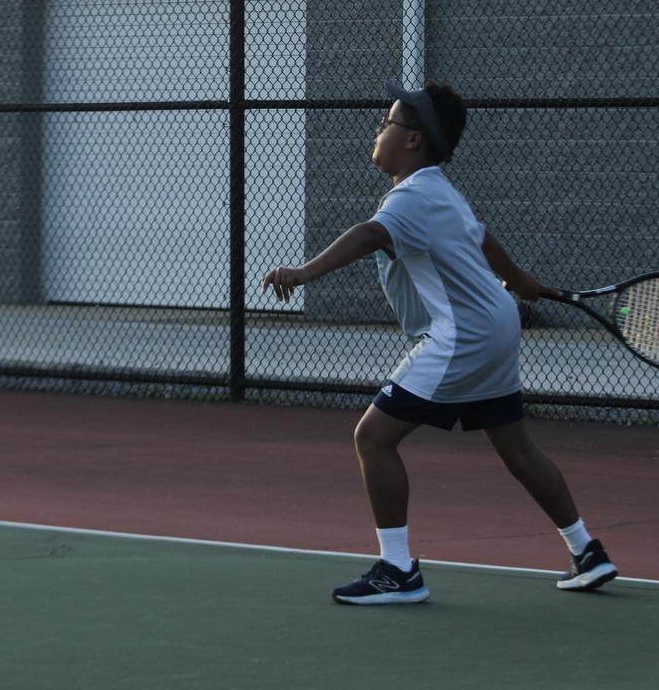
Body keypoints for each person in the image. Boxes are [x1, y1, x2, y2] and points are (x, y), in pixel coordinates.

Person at [261, 80, 618, 604]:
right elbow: (481, 236)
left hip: (463, 335)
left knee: (373, 438)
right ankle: (586, 550)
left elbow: (371, 233)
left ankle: (398, 571)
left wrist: (303, 272)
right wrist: (518, 280)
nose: (379, 129)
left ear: (414, 140)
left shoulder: (410, 198)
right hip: (497, 325)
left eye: (388, 122)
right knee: (517, 447)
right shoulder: (440, 190)